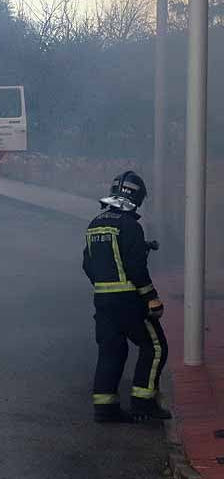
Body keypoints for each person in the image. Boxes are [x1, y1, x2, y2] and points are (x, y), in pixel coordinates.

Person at [82, 171, 171, 423]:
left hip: (102, 301)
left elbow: (88, 264)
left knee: (111, 350)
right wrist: (151, 298)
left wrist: (104, 284)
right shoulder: (131, 225)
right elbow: (135, 267)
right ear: (137, 197)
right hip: (129, 301)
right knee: (154, 347)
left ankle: (105, 407)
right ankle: (143, 403)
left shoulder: (95, 223)